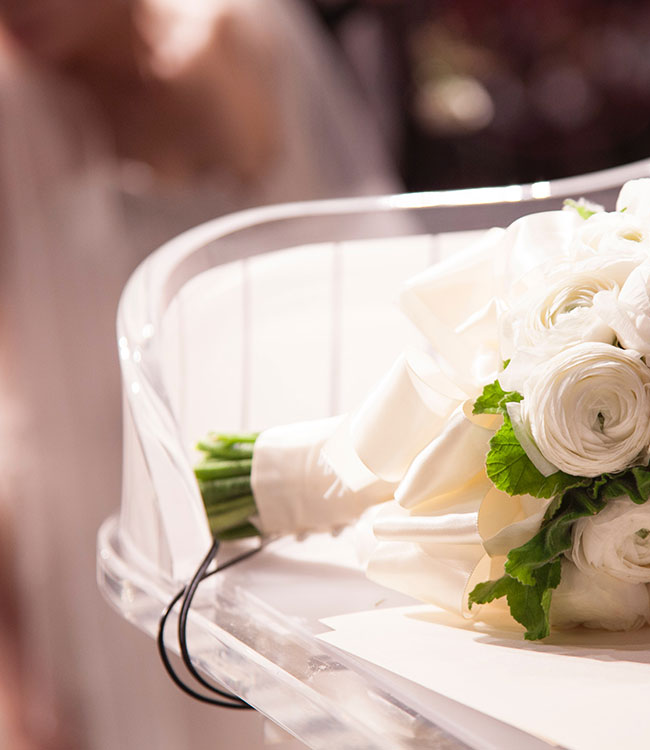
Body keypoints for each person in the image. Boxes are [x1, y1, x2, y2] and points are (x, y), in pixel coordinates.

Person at [0, 1, 397, 747]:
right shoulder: (11, 106)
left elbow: (349, 269)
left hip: (281, 482)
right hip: (99, 524)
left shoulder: (246, 34)